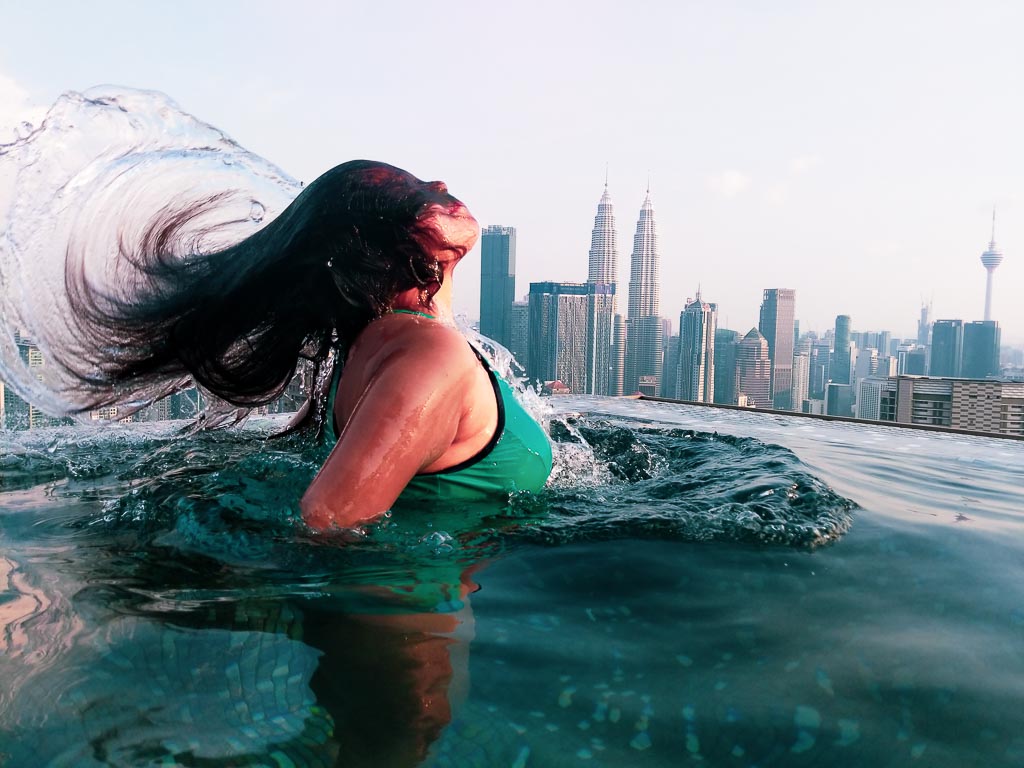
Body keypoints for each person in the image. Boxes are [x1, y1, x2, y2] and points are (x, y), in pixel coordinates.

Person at [60, 160, 552, 529]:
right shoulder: (428, 360)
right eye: (408, 193)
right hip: (402, 625)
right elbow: (326, 519)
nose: (438, 185)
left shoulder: (377, 341)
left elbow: (437, 266)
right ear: (376, 251)